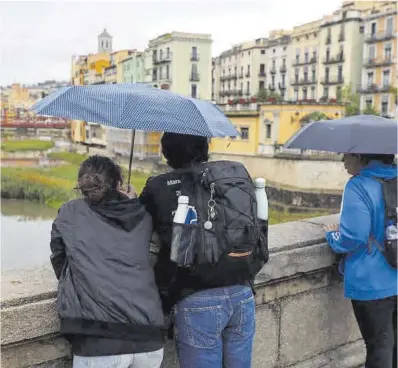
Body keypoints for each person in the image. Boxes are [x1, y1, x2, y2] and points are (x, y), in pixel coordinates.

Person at [140, 133, 267, 368]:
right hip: (242, 291)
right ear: (205, 149)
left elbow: (135, 229)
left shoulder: (159, 186)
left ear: (167, 153)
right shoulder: (233, 175)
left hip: (197, 297)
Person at [50, 155, 165, 368]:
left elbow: (59, 258)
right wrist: (132, 202)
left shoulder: (70, 212)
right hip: (149, 337)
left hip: (99, 340)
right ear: (119, 184)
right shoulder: (142, 215)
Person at [325, 153, 397, 368]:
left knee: (379, 347)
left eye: (346, 154)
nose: (342, 160)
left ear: (360, 156)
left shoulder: (359, 185)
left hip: (372, 279)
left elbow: (353, 237)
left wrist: (332, 237)